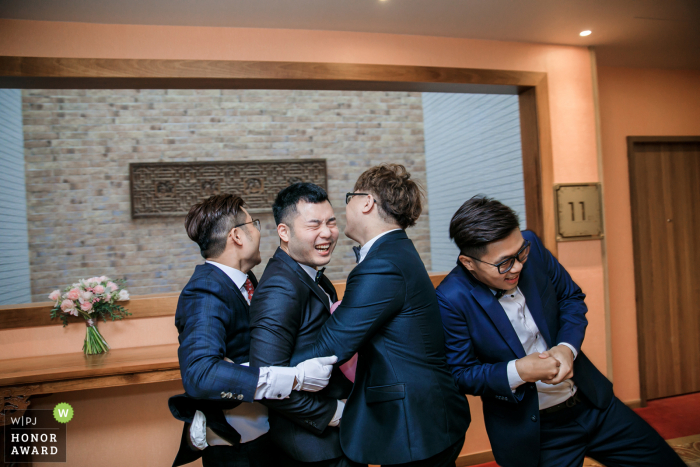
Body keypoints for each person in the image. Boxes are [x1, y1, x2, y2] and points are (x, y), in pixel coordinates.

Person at [436, 196, 685, 467]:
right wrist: (519, 371)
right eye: (504, 263)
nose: (518, 266)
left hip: (593, 403)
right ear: (468, 262)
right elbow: (461, 374)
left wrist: (567, 347)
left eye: (521, 254)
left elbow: (570, 298)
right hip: (538, 431)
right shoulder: (450, 298)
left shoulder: (532, 248)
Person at [292, 164, 471, 467]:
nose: (344, 208)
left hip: (415, 425)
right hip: (428, 416)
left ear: (366, 202)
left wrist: (261, 369)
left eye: (348, 198)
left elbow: (332, 346)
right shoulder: (396, 252)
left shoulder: (382, 264)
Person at [168, 194, 337, 467]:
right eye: (254, 223)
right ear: (237, 236)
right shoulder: (205, 290)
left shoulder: (246, 280)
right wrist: (293, 377)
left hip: (268, 434)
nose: (260, 231)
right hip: (238, 447)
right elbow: (200, 373)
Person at [248, 183, 362, 467]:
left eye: (331, 222)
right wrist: (335, 412)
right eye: (314, 225)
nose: (327, 233)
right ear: (284, 232)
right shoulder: (280, 288)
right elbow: (266, 381)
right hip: (314, 448)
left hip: (336, 442)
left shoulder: (316, 278)